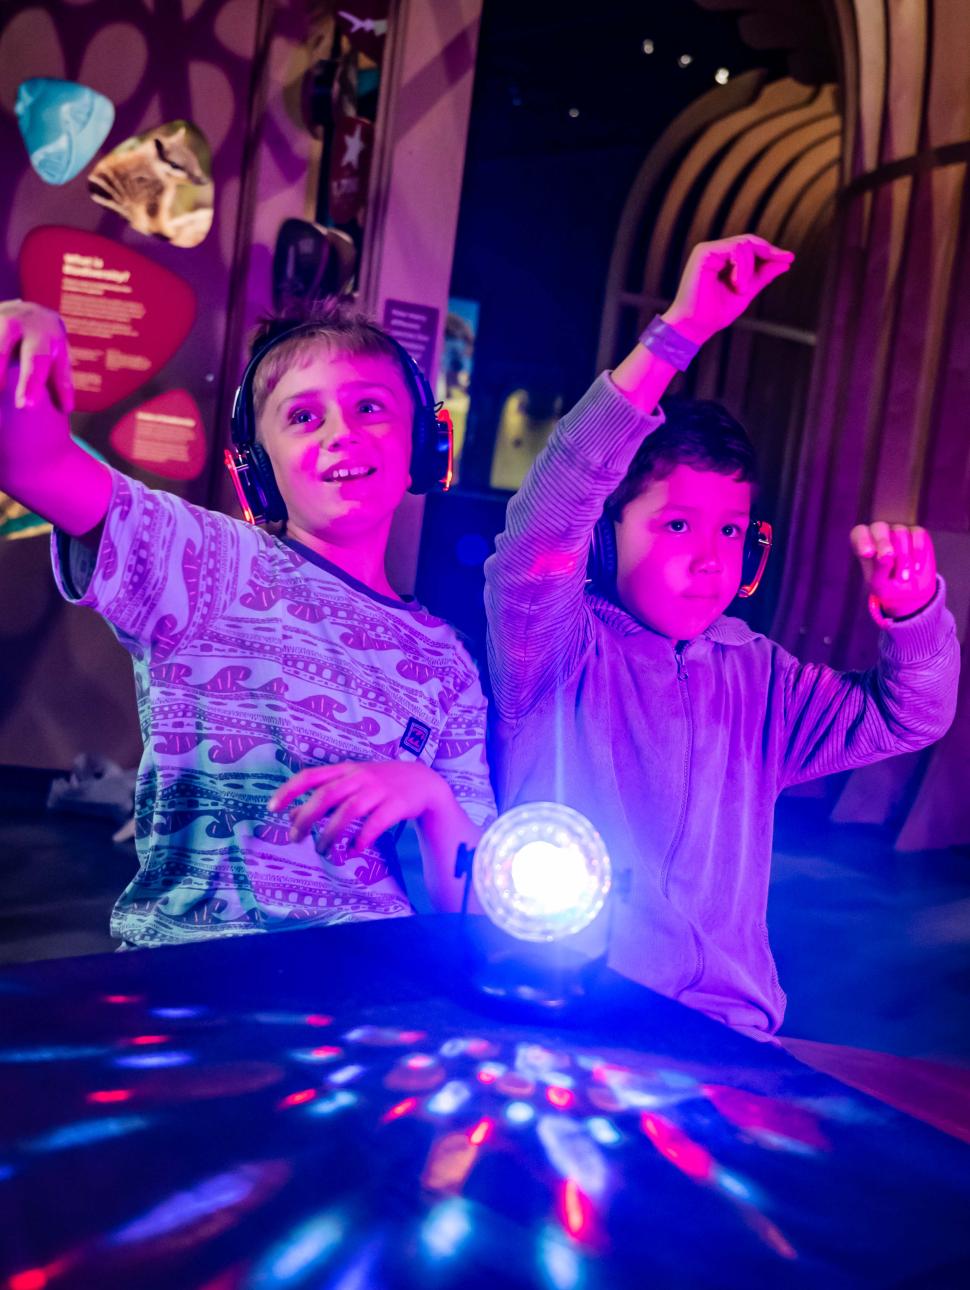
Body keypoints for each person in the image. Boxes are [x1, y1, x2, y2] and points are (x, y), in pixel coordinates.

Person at [484, 234, 959, 1041]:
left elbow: (910, 716)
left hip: (732, 1033)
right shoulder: (556, 646)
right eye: (675, 524)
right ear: (605, 537)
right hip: (569, 1016)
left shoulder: (760, 677)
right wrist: (677, 334)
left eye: (732, 530)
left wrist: (916, 618)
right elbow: (547, 519)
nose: (711, 557)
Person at [0, 297, 495, 948]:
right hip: (193, 976)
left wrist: (431, 795)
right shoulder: (204, 557)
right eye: (303, 416)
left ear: (426, 446)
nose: (339, 432)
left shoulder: (446, 662)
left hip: (364, 989)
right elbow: (30, 463)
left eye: (369, 407)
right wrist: (21, 344)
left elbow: (471, 901)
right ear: (256, 472)